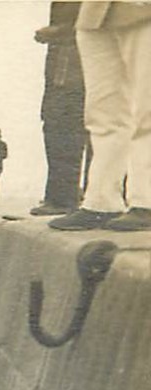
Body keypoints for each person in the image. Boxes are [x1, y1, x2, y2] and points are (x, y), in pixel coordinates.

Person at [52, 1, 151, 231]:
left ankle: (146, 201)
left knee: (147, 110)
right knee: (103, 114)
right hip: (93, 14)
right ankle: (101, 201)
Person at [33, 2, 91, 216]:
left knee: (63, 129)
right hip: (65, 68)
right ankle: (66, 195)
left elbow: (106, 20)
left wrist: (60, 32)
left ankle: (64, 198)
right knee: (59, 128)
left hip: (73, 72)